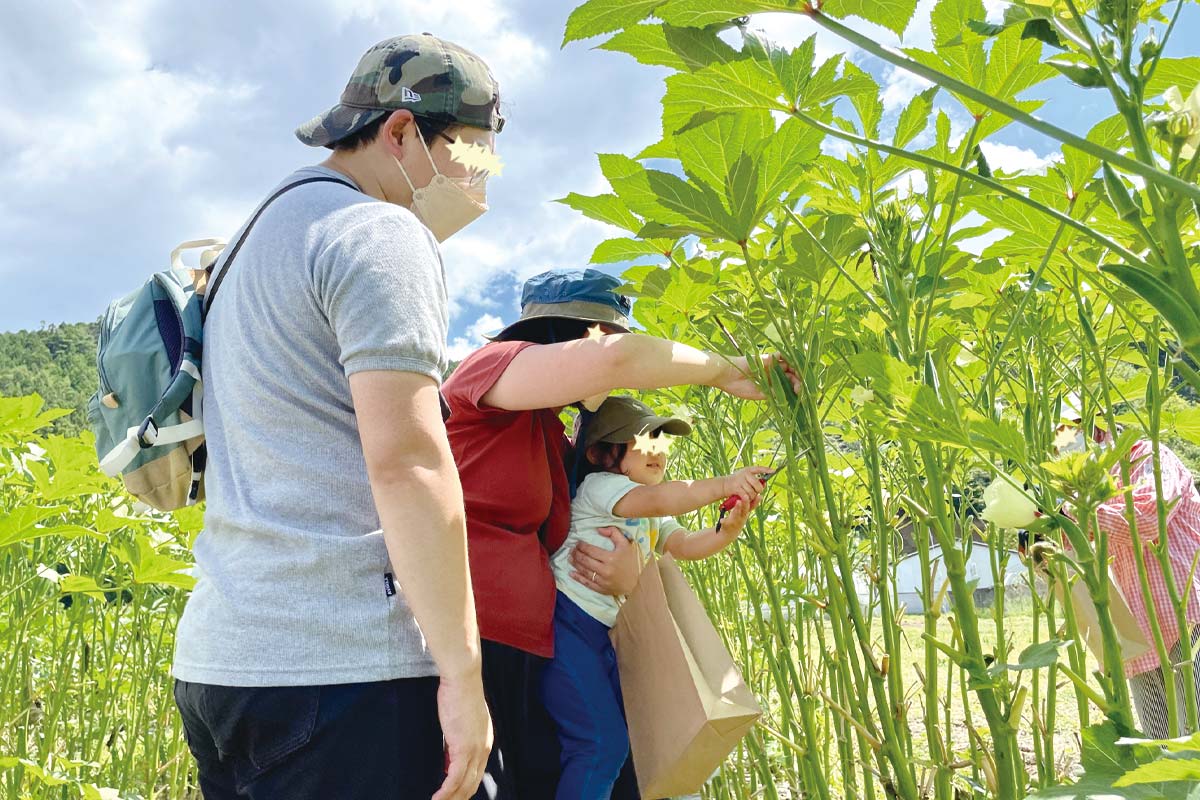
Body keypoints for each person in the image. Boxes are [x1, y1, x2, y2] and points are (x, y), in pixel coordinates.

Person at [172, 34, 501, 800]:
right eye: (476, 156)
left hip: (226, 662)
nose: (483, 183)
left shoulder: (246, 245)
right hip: (343, 666)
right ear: (399, 132)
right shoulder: (380, 233)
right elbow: (410, 462)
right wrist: (462, 673)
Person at [441, 268, 798, 799]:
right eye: (611, 336)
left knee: (593, 759)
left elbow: (602, 530)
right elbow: (615, 361)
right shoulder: (489, 367)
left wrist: (629, 577)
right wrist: (728, 370)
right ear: (583, 336)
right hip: (473, 640)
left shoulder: (552, 428)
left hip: (534, 642)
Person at [543, 395, 769, 799]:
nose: (659, 449)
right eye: (646, 439)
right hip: (568, 626)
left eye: (662, 441)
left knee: (613, 743)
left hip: (604, 637)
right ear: (601, 452)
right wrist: (724, 484)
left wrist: (727, 531)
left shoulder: (650, 510)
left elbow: (682, 543)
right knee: (602, 745)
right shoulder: (602, 488)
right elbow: (663, 498)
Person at [1056, 412, 1200, 737]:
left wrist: (1074, 514)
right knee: (1160, 745)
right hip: (1137, 631)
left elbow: (1150, 516)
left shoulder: (1148, 456)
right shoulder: (1083, 487)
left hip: (1186, 617)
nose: (1061, 445)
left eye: (1065, 433)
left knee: (1195, 733)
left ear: (1095, 428)